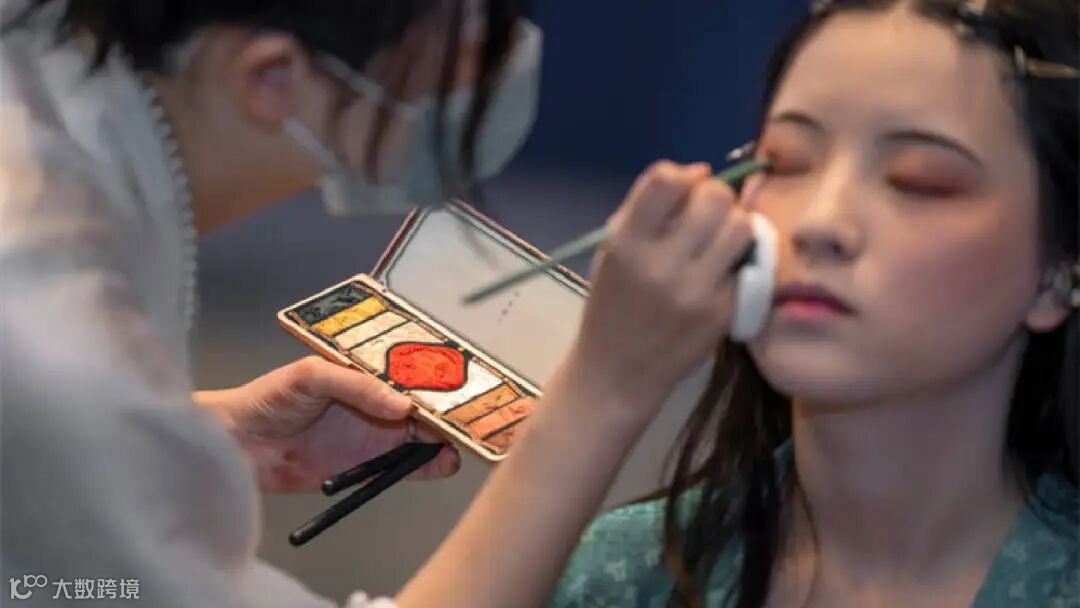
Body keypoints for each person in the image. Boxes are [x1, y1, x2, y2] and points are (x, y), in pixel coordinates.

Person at [1, 0, 759, 606]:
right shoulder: (63, 353)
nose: (487, 78)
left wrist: (195, 443)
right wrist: (602, 390)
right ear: (273, 78)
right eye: (461, 52)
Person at [550, 0, 1080, 606]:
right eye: (785, 163)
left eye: (918, 180)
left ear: (1056, 272)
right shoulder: (625, 576)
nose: (819, 221)